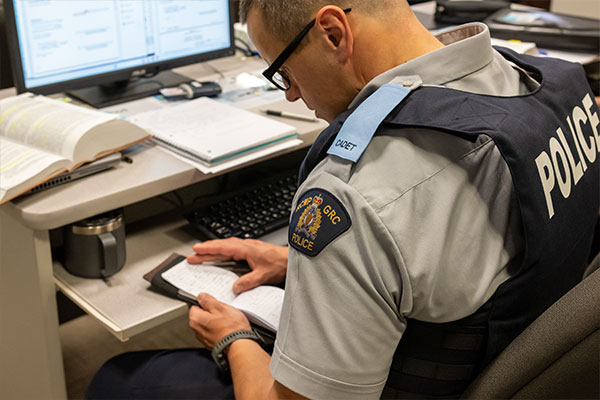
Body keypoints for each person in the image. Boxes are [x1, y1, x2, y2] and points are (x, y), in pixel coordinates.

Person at [87, 0, 599, 399]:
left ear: (333, 33)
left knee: (120, 377)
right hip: (509, 358)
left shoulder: (354, 193)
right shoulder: (547, 88)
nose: (289, 95)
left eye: (282, 71)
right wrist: (296, 262)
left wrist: (233, 339)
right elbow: (473, 247)